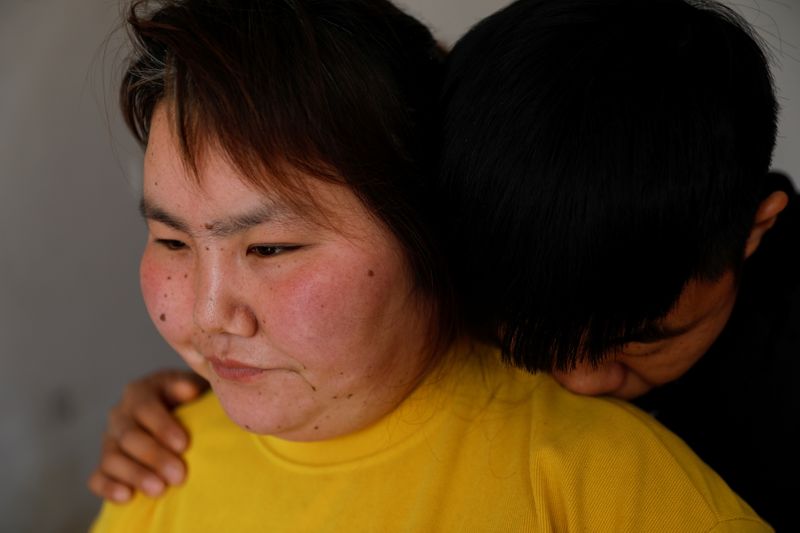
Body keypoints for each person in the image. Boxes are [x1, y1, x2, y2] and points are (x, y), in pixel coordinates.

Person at [91, 0, 773, 531]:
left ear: (434, 236)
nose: (207, 316)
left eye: (271, 248)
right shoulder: (160, 464)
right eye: (172, 241)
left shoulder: (612, 483)